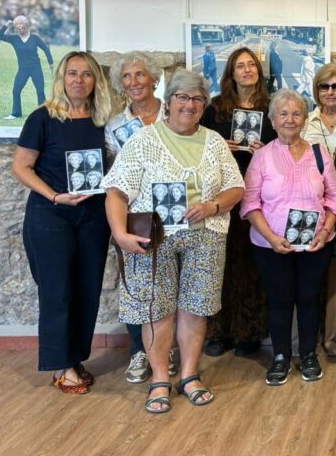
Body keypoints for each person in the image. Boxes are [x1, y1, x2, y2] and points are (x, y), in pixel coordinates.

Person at [103, 70, 244, 412]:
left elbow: (237, 187)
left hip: (205, 236)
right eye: (183, 97)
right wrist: (120, 234)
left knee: (195, 308)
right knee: (157, 309)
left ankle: (190, 374)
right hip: (153, 238)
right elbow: (117, 190)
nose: (190, 104)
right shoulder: (143, 140)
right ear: (169, 102)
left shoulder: (213, 142)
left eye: (197, 99)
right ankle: (160, 379)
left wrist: (212, 206)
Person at [12, 51, 112, 394]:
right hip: (50, 214)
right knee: (58, 291)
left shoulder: (102, 121)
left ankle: (75, 357)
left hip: (93, 216)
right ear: (61, 78)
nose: (79, 80)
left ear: (95, 80)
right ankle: (63, 366)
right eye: (72, 73)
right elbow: (21, 167)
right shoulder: (43, 118)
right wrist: (55, 195)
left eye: (86, 74)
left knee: (87, 288)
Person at [241, 90, 336, 386]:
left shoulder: (319, 154)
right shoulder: (261, 157)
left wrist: (325, 232)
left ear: (304, 119)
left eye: (296, 113)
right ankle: (281, 356)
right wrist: (272, 237)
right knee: (279, 300)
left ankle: (309, 354)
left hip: (315, 245)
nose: (290, 119)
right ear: (272, 120)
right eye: (283, 114)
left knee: (310, 299)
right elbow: (250, 204)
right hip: (271, 246)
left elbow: (335, 198)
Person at [201, 48, 276, 358]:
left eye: (251, 65)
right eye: (240, 66)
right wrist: (222, 147)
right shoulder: (215, 110)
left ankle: (249, 333)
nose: (247, 70)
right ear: (230, 73)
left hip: (258, 193)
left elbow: (283, 150)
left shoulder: (271, 109)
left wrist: (265, 149)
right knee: (219, 264)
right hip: (220, 194)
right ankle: (218, 332)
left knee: (252, 265)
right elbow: (200, 148)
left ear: (259, 71)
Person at [302, 62, 336, 358]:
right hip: (312, 209)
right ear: (317, 91)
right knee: (309, 277)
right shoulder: (304, 122)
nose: (331, 92)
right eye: (325, 86)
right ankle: (306, 340)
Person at [0, 14, 54, 120]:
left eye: (21, 23)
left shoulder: (34, 38)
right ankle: (16, 113)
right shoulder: (14, 39)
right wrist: (7, 25)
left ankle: (42, 114)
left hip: (36, 68)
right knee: (16, 90)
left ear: (26, 25)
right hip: (23, 69)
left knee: (40, 91)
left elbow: (46, 49)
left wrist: (50, 63)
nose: (19, 26)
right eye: (17, 24)